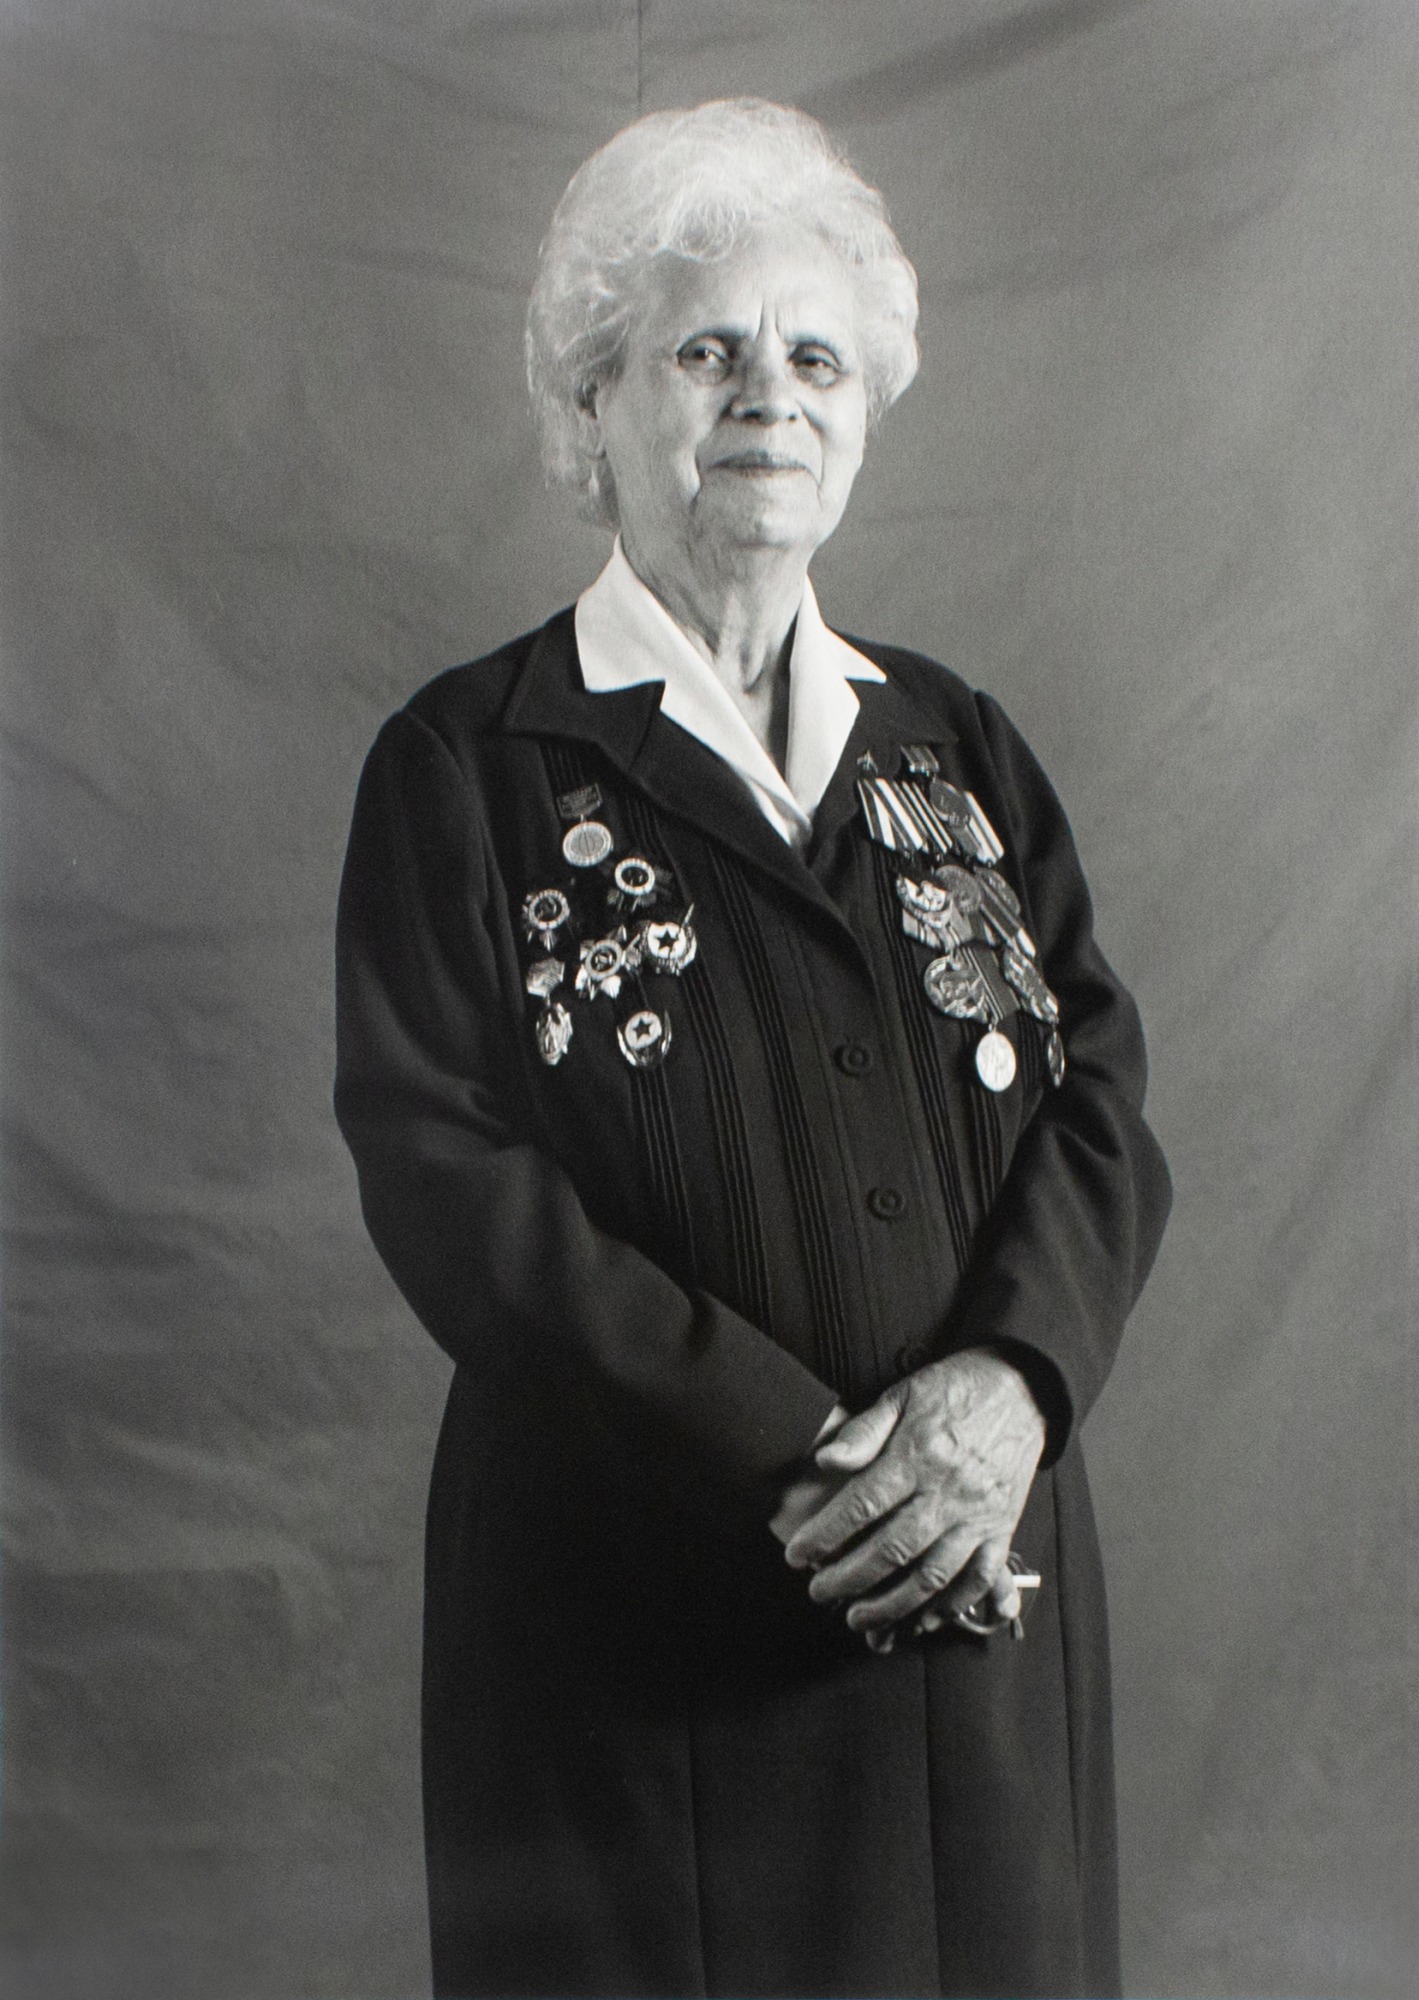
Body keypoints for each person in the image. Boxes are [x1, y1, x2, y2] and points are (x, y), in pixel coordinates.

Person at [335, 98, 1172, 2000]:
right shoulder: (468, 767)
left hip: (982, 1611)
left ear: (862, 411)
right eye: (705, 353)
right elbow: (449, 1182)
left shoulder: (958, 745)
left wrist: (1012, 1393)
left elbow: (1101, 1099)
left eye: (815, 360)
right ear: (592, 402)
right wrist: (818, 1475)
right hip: (647, 1641)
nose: (767, 401)